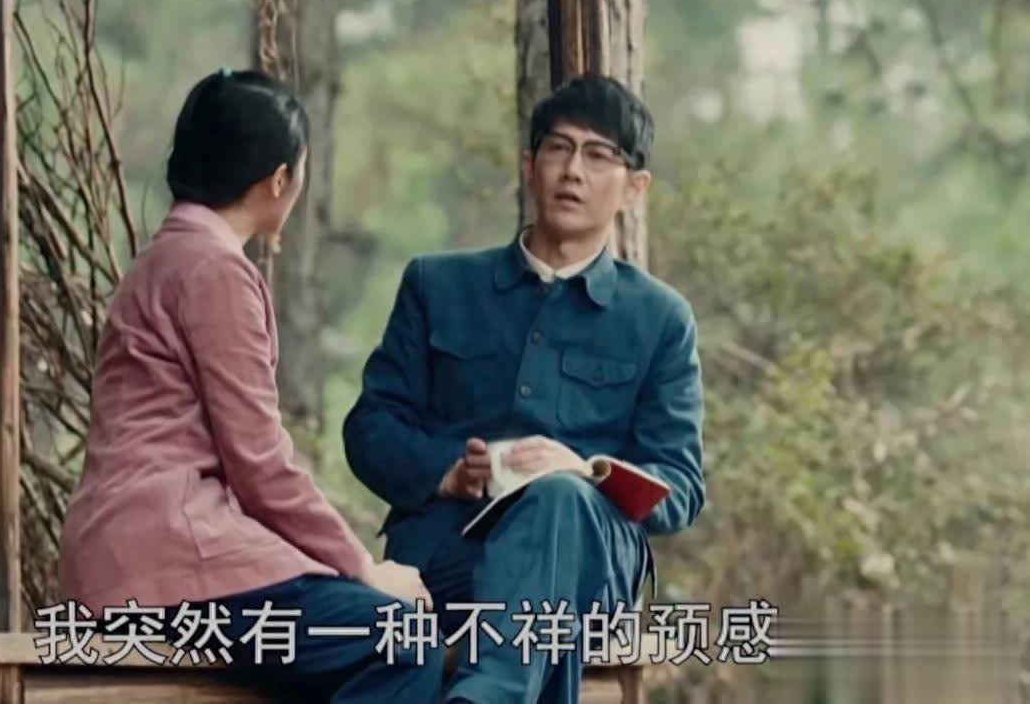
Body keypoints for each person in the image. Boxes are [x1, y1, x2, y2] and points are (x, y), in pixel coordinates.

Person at [59, 68, 444, 702]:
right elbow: (260, 463)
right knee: (404, 639)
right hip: (171, 557)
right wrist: (363, 567)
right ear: (279, 180)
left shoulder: (162, 258)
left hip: (122, 558)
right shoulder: (216, 272)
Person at [343, 75, 706, 704]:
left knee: (560, 498)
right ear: (529, 165)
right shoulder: (438, 285)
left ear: (634, 188)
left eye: (599, 155)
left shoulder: (660, 319)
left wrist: (587, 471)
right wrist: (448, 473)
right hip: (449, 559)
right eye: (558, 148)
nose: (573, 171)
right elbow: (370, 429)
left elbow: (681, 485)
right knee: (536, 603)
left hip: (591, 564)